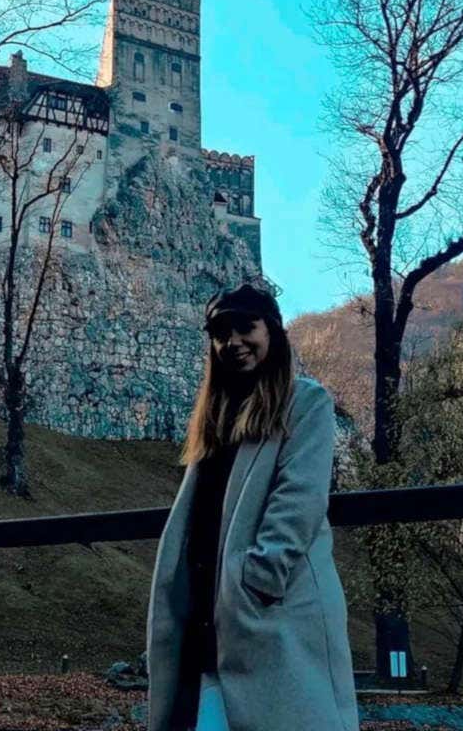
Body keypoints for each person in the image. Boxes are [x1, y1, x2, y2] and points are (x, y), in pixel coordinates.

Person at [146, 281, 361, 731]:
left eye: (246, 327)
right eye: (221, 333)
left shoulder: (306, 402)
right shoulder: (216, 417)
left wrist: (257, 578)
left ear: (273, 332)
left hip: (268, 610)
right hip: (210, 614)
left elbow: (298, 500)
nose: (233, 342)